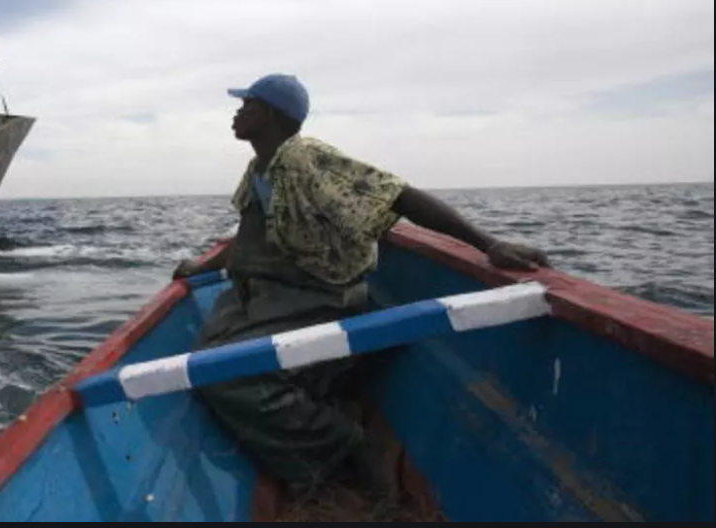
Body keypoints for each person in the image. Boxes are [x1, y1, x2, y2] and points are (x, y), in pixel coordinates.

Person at [173, 73, 550, 501]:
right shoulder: (260, 168)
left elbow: (398, 196)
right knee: (207, 351)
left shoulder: (305, 156)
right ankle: (318, 390)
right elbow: (249, 235)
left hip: (319, 295)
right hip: (268, 292)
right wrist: (202, 264)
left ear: (273, 114)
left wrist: (490, 244)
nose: (237, 112)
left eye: (248, 104)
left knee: (223, 377)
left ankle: (350, 446)